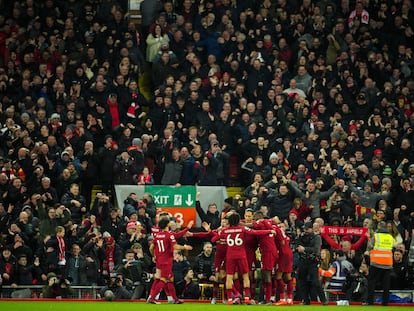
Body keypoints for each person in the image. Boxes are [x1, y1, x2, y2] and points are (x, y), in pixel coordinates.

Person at [216, 212, 274, 305]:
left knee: (229, 277)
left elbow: (214, 239)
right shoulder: (242, 228)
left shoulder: (225, 230)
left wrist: (221, 239)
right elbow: (255, 232)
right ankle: (247, 297)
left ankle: (230, 299)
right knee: (246, 276)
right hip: (241, 255)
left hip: (230, 256)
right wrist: (269, 231)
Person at [146, 216, 193, 304]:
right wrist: (185, 247)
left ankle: (175, 299)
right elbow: (175, 246)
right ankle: (152, 298)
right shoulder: (169, 235)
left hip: (159, 260)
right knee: (163, 279)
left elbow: (151, 248)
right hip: (166, 261)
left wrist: (154, 256)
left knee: (169, 279)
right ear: (167, 224)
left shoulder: (158, 235)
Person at [296, 221, 328, 305]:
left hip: (312, 262)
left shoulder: (317, 237)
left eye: (307, 229)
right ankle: (306, 300)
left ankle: (323, 300)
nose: (305, 231)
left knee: (315, 282)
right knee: (302, 282)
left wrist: (304, 249)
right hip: (303, 261)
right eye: (304, 229)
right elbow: (297, 246)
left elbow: (316, 250)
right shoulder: (301, 237)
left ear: (311, 229)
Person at [365, 221, 394, 306]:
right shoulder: (390, 237)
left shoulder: (376, 236)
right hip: (388, 264)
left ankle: (370, 302)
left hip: (376, 262)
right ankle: (385, 303)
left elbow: (370, 246)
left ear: (379, 228)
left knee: (371, 282)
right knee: (386, 284)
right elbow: (393, 245)